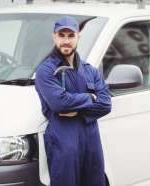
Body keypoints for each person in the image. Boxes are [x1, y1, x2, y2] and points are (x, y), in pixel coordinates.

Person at [35, 16, 112, 186]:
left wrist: (77, 109)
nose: (66, 41)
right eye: (62, 35)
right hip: (64, 140)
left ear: (78, 37)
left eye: (71, 36)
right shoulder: (46, 71)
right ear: (54, 37)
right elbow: (59, 103)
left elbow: (106, 104)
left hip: (91, 140)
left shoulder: (90, 70)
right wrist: (90, 97)